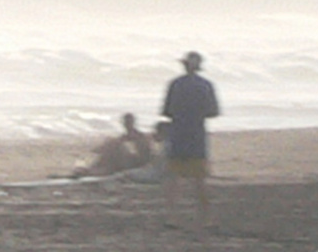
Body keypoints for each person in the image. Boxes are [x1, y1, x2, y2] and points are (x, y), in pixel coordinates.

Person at [159, 51, 221, 228]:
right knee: (199, 179)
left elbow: (167, 111)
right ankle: (205, 218)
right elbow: (213, 112)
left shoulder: (175, 84)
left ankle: (171, 216)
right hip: (196, 135)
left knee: (173, 178)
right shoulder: (206, 85)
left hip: (178, 134)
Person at [77, 113, 153, 176]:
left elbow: (142, 154)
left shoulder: (140, 136)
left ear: (132, 123)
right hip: (133, 161)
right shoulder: (127, 136)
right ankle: (92, 169)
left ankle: (91, 170)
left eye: (128, 123)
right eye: (126, 123)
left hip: (137, 164)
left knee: (113, 148)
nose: (127, 125)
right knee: (111, 146)